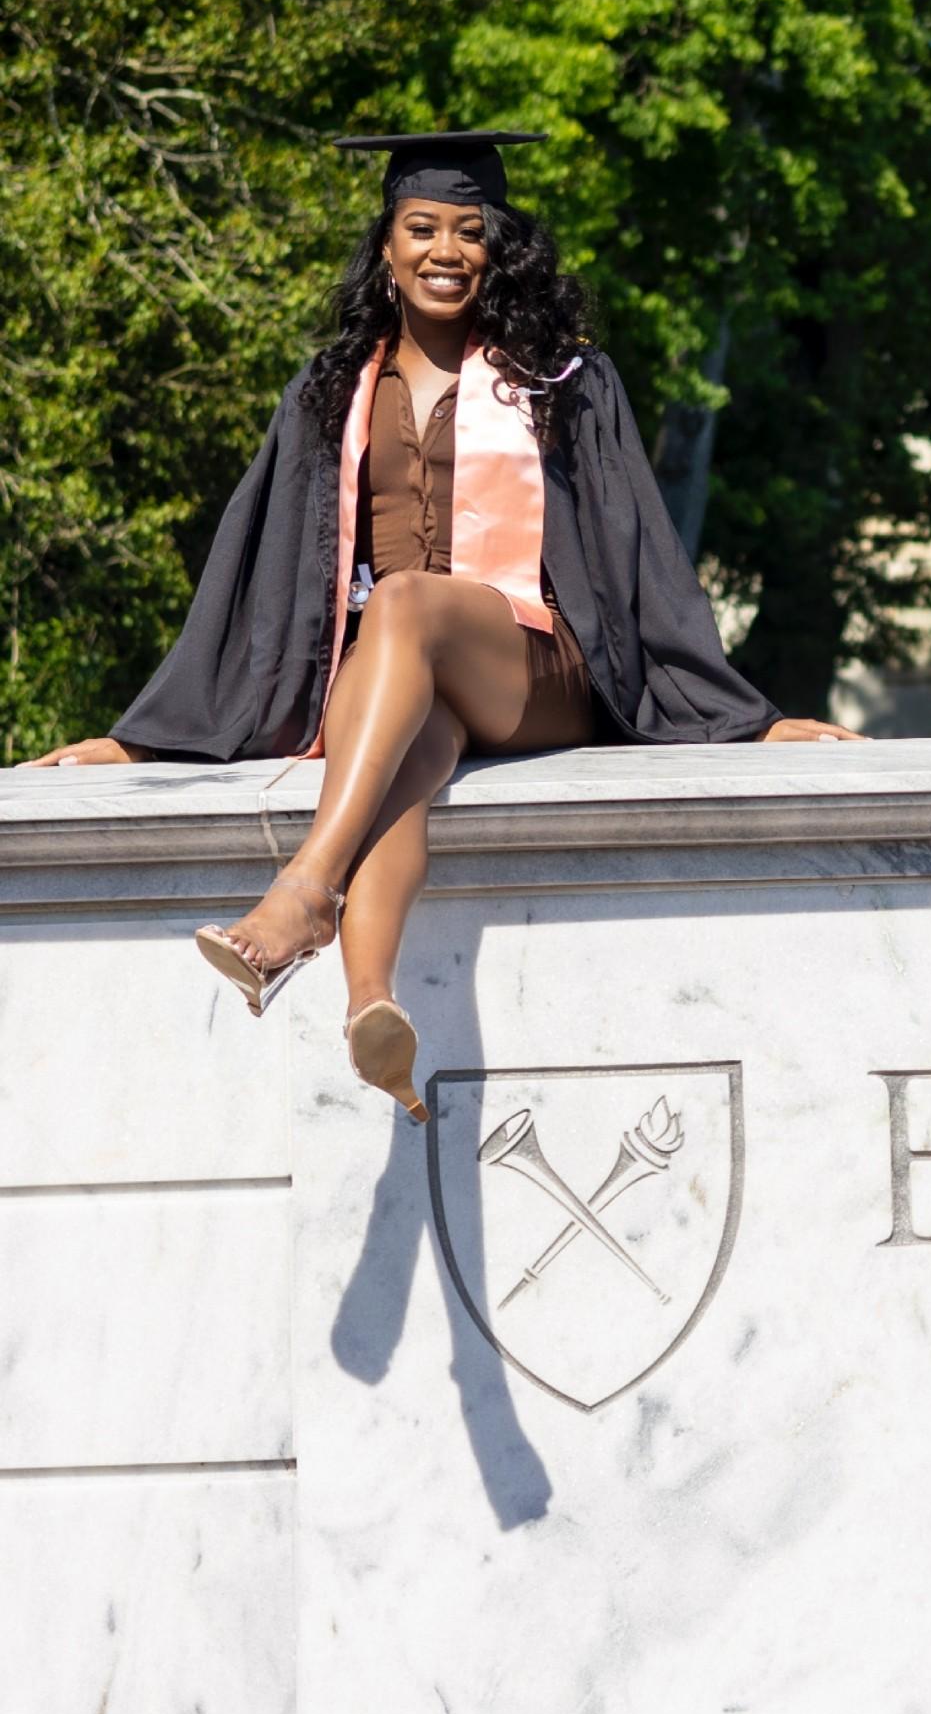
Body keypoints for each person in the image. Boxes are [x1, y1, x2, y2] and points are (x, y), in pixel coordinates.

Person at [19, 129, 858, 1119]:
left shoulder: (562, 382)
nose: (445, 250)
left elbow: (643, 550)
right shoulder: (332, 390)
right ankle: (373, 1007)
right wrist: (141, 738)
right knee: (407, 759)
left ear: (503, 252)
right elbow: (255, 564)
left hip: (539, 667)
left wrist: (744, 718)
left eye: (472, 231)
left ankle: (304, 890)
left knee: (410, 601)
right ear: (386, 246)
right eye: (422, 228)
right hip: (398, 675)